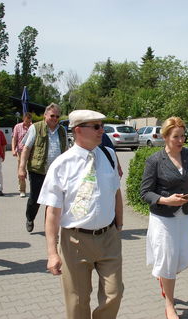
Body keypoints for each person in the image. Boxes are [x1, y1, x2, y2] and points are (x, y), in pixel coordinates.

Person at [39, 109, 124, 319]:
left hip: (108, 238)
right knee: (77, 301)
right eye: (96, 127)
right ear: (78, 130)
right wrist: (52, 253)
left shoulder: (108, 154)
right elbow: (52, 211)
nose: (101, 131)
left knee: (115, 294)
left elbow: (116, 191)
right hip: (75, 242)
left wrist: (118, 225)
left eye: (102, 126)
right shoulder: (62, 164)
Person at [140, 116, 188, 319]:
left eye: (183, 136)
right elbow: (145, 192)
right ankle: (169, 304)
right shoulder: (155, 160)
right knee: (167, 259)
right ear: (165, 136)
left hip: (185, 215)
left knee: (182, 257)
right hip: (163, 218)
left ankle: (165, 278)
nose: (181, 140)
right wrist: (166, 200)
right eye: (176, 136)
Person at [18, 103, 67, 233]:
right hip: (38, 170)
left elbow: (66, 150)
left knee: (53, 201)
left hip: (56, 172)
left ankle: (49, 227)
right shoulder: (35, 128)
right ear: (45, 115)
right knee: (35, 199)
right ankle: (30, 217)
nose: (55, 118)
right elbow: (26, 149)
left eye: (57, 116)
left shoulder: (62, 131)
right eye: (52, 115)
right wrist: (21, 168)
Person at [12, 112, 32, 197]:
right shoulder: (18, 126)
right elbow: (14, 138)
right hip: (21, 151)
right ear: (23, 119)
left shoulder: (32, 127)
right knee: (21, 170)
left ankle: (34, 190)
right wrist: (13, 149)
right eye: (26, 121)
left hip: (31, 151)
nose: (28, 123)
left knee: (32, 171)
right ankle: (22, 190)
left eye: (29, 121)